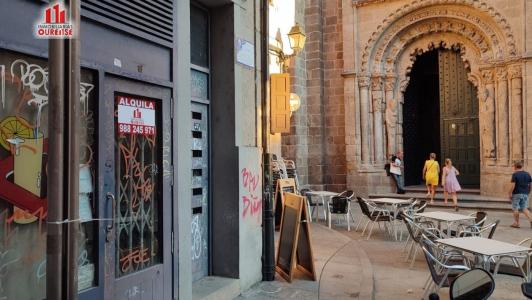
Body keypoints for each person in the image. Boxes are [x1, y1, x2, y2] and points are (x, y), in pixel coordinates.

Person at [508, 161, 532, 228]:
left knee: (515, 208)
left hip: (517, 193)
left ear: (515, 167)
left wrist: (509, 193)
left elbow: (513, 185)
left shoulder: (515, 174)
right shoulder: (528, 174)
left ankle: (516, 223)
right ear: (522, 166)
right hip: (525, 193)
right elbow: (530, 185)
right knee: (524, 208)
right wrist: (528, 192)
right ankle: (531, 220)